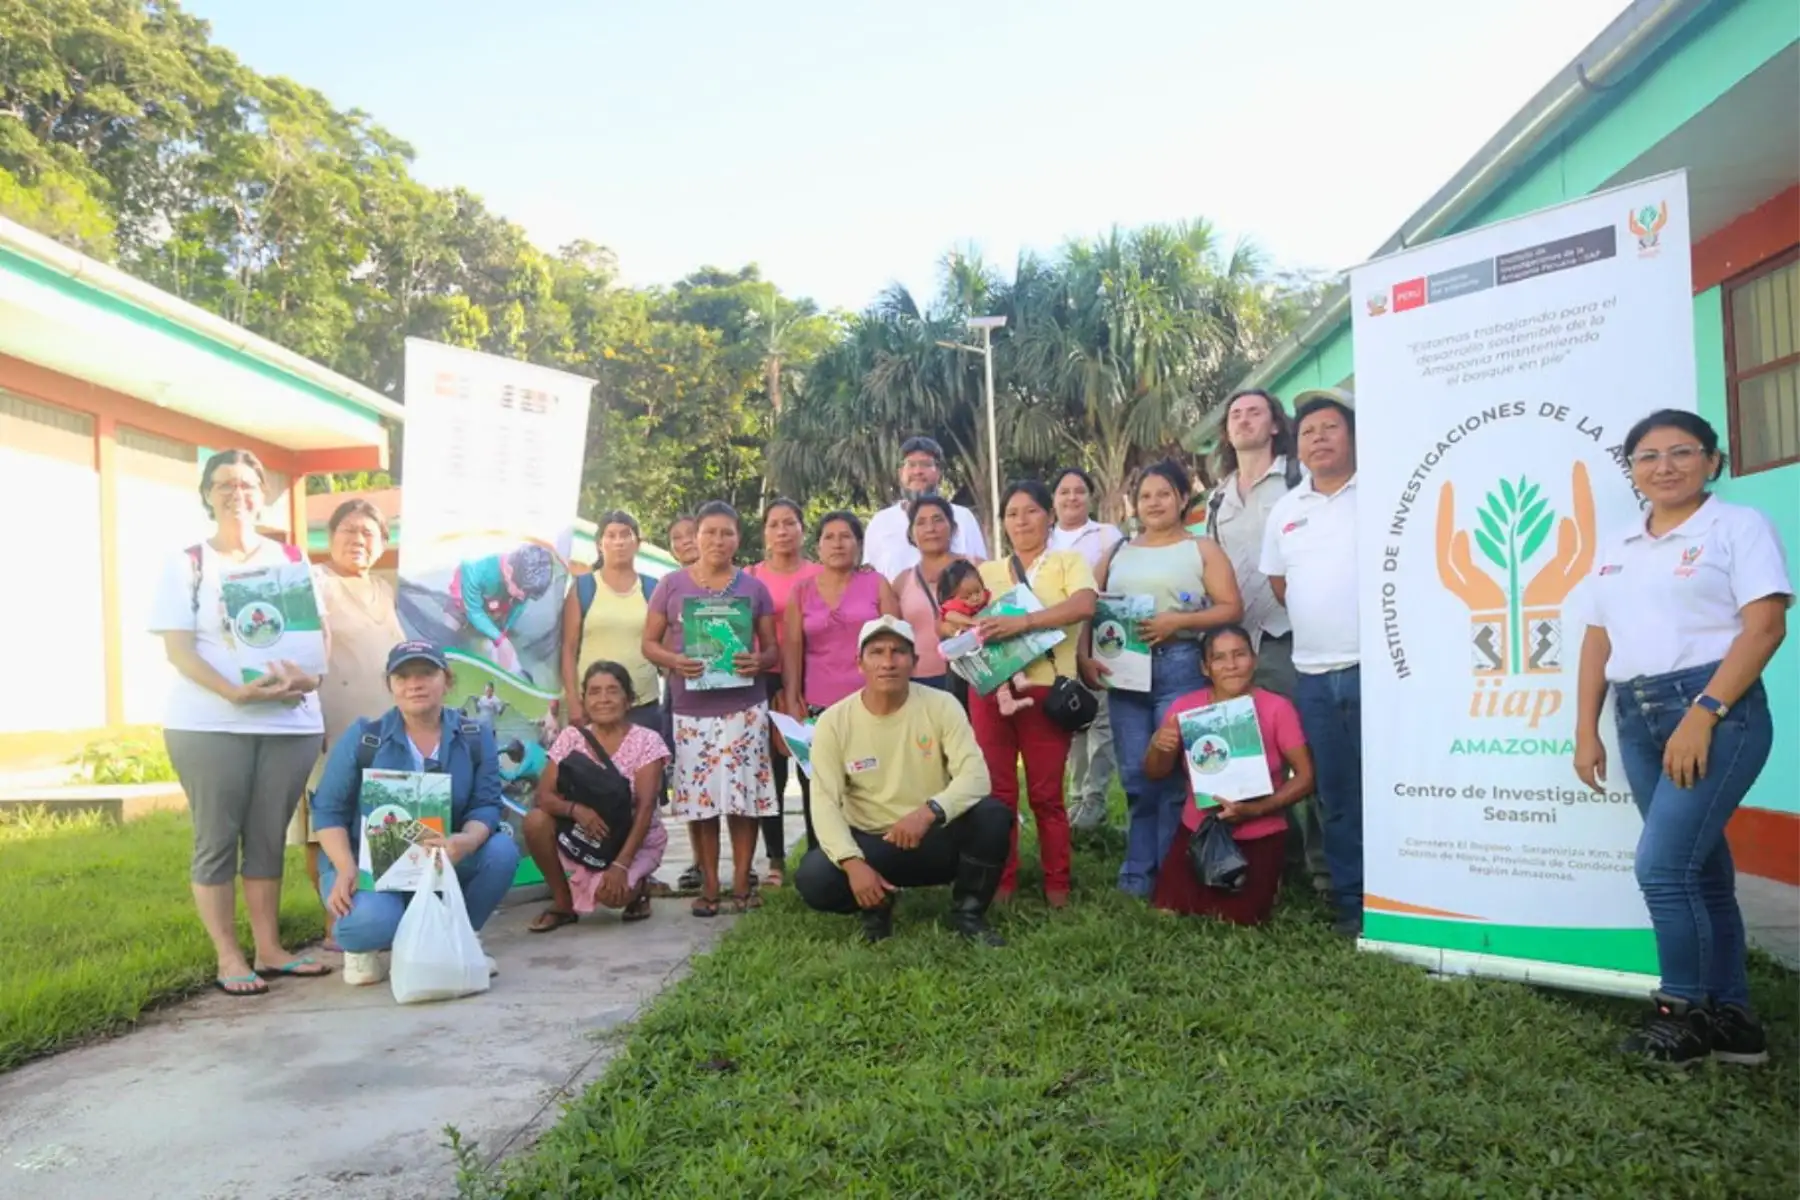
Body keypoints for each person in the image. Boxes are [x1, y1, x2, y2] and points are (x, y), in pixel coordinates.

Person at [1573, 410, 1791, 1066]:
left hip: (1715, 711)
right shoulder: (1618, 546)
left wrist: (1704, 713)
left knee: (1662, 867)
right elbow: (1596, 638)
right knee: (1700, 870)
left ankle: (1682, 1013)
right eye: (1647, 456)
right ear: (1633, 470)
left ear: (1712, 462)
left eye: (1681, 452)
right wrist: (1587, 728)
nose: (1664, 467)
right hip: (1636, 714)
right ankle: (1733, 1021)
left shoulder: (1737, 527)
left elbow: (1765, 626)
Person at [151, 449, 328, 997]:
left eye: (248, 483)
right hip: (210, 724)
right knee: (217, 839)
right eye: (224, 483)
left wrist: (307, 680)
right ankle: (229, 955)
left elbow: (316, 642)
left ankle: (270, 949)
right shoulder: (188, 564)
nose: (237, 493)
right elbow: (179, 651)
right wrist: (234, 691)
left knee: (269, 837)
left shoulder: (292, 560)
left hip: (288, 724)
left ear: (264, 493)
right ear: (206, 494)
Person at [311, 641, 522, 985]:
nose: (415, 684)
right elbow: (328, 811)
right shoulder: (365, 738)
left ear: (447, 681)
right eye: (403, 676)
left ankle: (457, 938)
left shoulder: (474, 736)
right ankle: (363, 949)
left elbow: (487, 804)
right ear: (390, 685)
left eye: (426, 673)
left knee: (500, 852)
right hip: (370, 866)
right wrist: (345, 867)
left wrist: (466, 841)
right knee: (368, 924)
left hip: (443, 859)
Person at [795, 616, 1011, 945]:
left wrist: (928, 812)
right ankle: (878, 904)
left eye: (898, 652)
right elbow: (823, 801)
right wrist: (852, 864)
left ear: (915, 662)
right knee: (814, 879)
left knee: (993, 816)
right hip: (873, 842)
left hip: (934, 834)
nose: (887, 662)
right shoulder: (833, 721)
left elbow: (976, 776)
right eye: (876, 652)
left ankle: (968, 913)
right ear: (859, 662)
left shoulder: (942, 705)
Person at [1084, 461, 1243, 898]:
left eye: (1164, 493)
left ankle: (1175, 873)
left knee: (1176, 776)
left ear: (1180, 499)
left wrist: (1179, 621)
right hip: (1124, 673)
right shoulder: (1117, 552)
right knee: (1136, 776)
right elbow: (1087, 607)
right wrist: (1085, 658)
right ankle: (1137, 874)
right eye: (1146, 495)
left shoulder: (1201, 548)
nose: (1154, 502)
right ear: (1134, 504)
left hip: (1181, 665)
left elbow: (1232, 608)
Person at [1200, 389, 1330, 895]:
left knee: (1307, 753)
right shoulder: (1218, 496)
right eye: (1234, 414)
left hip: (1290, 638)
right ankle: (1282, 857)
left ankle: (1325, 871)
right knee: (1249, 760)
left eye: (1255, 412)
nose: (1244, 421)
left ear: (1275, 424)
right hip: (1236, 644)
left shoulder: (1298, 477)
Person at [642, 501, 781, 917]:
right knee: (700, 803)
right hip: (691, 708)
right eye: (710, 532)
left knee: (743, 799)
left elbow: (772, 648)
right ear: (695, 535)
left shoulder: (754, 588)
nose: (718, 541)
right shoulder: (671, 585)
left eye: (727, 533)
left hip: (744, 707)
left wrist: (759, 661)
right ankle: (708, 885)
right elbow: (648, 643)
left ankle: (741, 883)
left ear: (738, 538)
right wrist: (673, 661)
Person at [1260, 392, 1363, 937]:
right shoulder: (1287, 509)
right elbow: (1281, 586)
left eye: (1330, 428)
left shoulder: (1381, 493)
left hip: (1378, 669)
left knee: (1390, 787)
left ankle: (1408, 899)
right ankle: (1353, 903)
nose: (1318, 438)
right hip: (1315, 673)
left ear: (1353, 436)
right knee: (1336, 794)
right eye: (1308, 431)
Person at [971, 480, 1098, 906]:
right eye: (1012, 514)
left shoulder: (1067, 562)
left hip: (1046, 693)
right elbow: (955, 618)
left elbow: (1083, 606)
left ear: (1048, 516)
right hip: (992, 691)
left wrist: (1023, 624)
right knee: (999, 794)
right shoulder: (986, 571)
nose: (1021, 520)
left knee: (1047, 795)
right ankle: (1002, 880)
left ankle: (1057, 884)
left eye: (1030, 511)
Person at [1144, 625, 1315, 924]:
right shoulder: (1186, 708)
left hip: (1260, 830)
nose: (1232, 665)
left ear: (1255, 659)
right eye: (1220, 658)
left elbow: (1306, 777)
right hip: (1200, 831)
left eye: (1239, 655)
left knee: (1236, 920)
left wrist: (1258, 808)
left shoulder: (1277, 708)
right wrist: (1159, 746)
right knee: (1166, 913)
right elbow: (1155, 772)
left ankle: (1270, 882)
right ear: (1205, 667)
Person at [300, 497, 406, 952]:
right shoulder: (314, 581)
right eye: (349, 530)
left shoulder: (384, 588)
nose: (358, 540)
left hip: (387, 722)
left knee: (384, 812)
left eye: (368, 532)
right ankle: (334, 920)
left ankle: (382, 908)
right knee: (326, 818)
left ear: (382, 543)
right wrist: (309, 712)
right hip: (332, 720)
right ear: (331, 535)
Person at [523, 661, 669, 931]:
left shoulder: (647, 741)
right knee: (535, 821)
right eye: (595, 691)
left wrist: (621, 866)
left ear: (628, 700)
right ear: (584, 699)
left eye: (613, 691)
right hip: (585, 833)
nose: (604, 699)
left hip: (631, 840)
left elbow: (646, 808)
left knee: (612, 897)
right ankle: (563, 904)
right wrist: (576, 810)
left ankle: (641, 887)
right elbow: (544, 796)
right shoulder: (570, 738)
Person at [782, 512, 899, 845]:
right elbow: (792, 649)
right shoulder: (801, 591)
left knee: (872, 784)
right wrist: (792, 698)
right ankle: (824, 860)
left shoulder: (876, 584)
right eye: (829, 537)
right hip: (818, 708)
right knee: (821, 788)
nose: (837, 543)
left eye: (845, 536)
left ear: (859, 545)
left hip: (872, 704)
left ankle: (878, 859)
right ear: (817, 546)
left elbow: (896, 642)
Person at [748, 499, 823, 886]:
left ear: (801, 529)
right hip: (763, 679)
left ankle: (817, 851)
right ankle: (775, 859)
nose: (782, 531)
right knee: (769, 770)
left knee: (813, 768)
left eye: (789, 523)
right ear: (765, 532)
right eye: (774, 524)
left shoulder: (820, 573)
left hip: (814, 677)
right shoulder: (750, 575)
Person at [1048, 467, 1124, 834]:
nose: (1072, 497)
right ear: (1054, 499)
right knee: (1072, 721)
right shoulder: (1044, 542)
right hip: (1058, 645)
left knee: (1102, 721)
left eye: (1079, 491)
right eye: (1064, 491)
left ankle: (1094, 798)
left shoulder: (1109, 535)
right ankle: (1076, 798)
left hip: (1100, 640)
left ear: (1090, 497)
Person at [561, 510, 661, 734]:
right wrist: (574, 702)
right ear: (599, 544)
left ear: (638, 543)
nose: (619, 542)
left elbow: (665, 647)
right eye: (611, 535)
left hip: (642, 706)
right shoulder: (583, 587)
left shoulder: (654, 588)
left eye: (626, 535)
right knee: (590, 769)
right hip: (593, 706)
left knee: (644, 768)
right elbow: (568, 648)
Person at [863, 435, 988, 579]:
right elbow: (869, 578)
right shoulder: (881, 522)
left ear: (939, 473)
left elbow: (981, 571)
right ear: (900, 473)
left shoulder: (962, 517)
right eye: (911, 464)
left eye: (926, 464)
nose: (918, 472)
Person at [890, 496, 977, 690]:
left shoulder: (977, 567)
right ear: (911, 534)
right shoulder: (902, 581)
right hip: (920, 681)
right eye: (921, 522)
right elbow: (894, 636)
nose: (930, 528)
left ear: (953, 527)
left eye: (938, 520)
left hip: (974, 675)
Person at [445, 543, 558, 679]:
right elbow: (473, 610)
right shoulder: (475, 564)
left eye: (528, 594)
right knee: (447, 632)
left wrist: (503, 634)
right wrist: (501, 640)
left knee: (500, 648)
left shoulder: (523, 585)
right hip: (465, 600)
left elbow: (518, 605)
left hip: (497, 604)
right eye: (523, 591)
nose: (524, 597)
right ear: (509, 571)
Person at [937, 560, 1033, 714]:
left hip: (991, 644)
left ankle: (1017, 681)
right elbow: (950, 615)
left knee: (1008, 656)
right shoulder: (956, 608)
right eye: (967, 597)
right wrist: (971, 622)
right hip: (973, 659)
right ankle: (1007, 696)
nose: (974, 598)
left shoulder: (987, 599)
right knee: (999, 671)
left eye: (978, 592)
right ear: (954, 597)